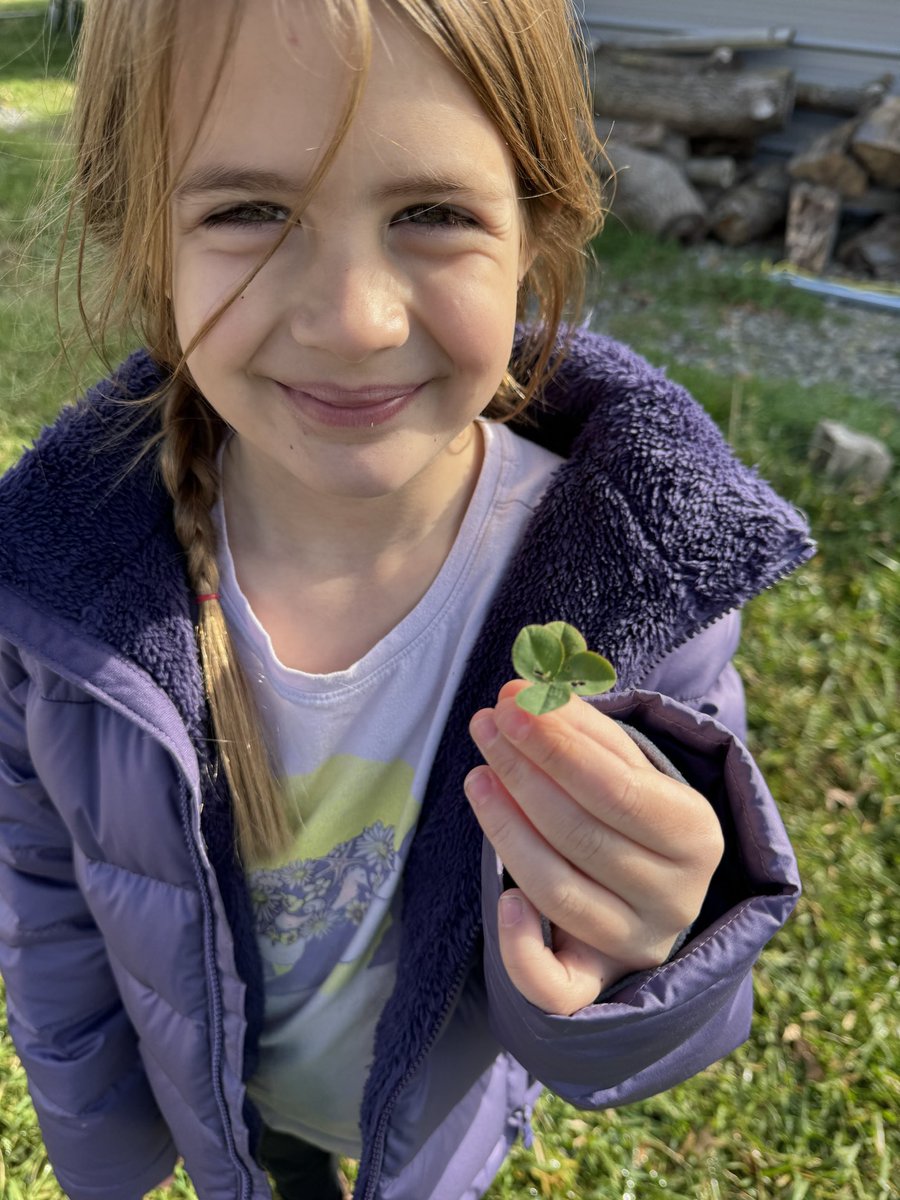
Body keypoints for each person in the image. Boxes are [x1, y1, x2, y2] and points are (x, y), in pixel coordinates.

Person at [0, 1, 813, 1198]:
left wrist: (643, 955)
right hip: (218, 1101)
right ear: (145, 238)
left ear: (536, 227)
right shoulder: (59, 590)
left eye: (431, 213)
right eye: (250, 212)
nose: (354, 321)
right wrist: (108, 1153)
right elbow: (48, 893)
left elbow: (622, 1031)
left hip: (429, 1135)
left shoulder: (630, 585)